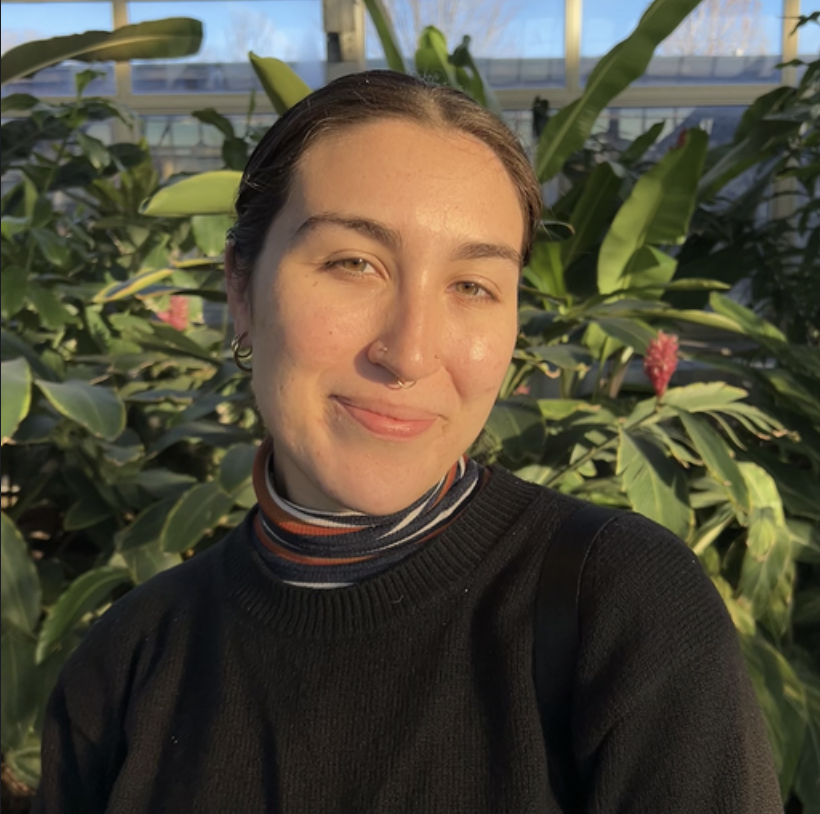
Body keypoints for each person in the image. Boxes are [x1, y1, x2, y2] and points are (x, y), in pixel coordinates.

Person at [34, 70, 781, 813]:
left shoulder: (622, 613)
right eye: (354, 264)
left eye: (472, 286)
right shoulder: (133, 660)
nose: (411, 352)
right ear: (240, 291)